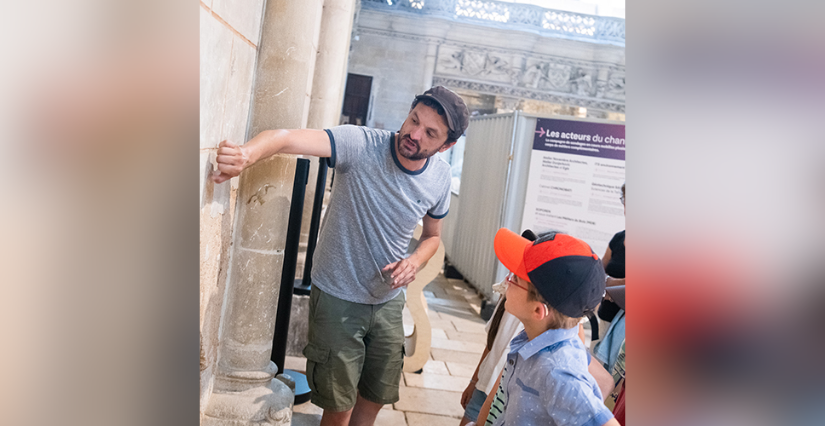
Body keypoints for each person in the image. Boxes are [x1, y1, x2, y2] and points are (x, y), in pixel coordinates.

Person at [213, 86, 470, 426]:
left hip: (389, 300)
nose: (413, 133)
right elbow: (286, 137)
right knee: (338, 403)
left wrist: (414, 261)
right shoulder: (361, 145)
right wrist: (246, 154)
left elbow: (433, 237)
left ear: (447, 145)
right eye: (413, 120)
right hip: (338, 295)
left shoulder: (438, 178)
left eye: (430, 133)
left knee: (376, 395)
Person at [474, 228, 620, 426]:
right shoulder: (533, 339)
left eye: (515, 279)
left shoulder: (557, 371)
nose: (507, 281)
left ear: (537, 311)